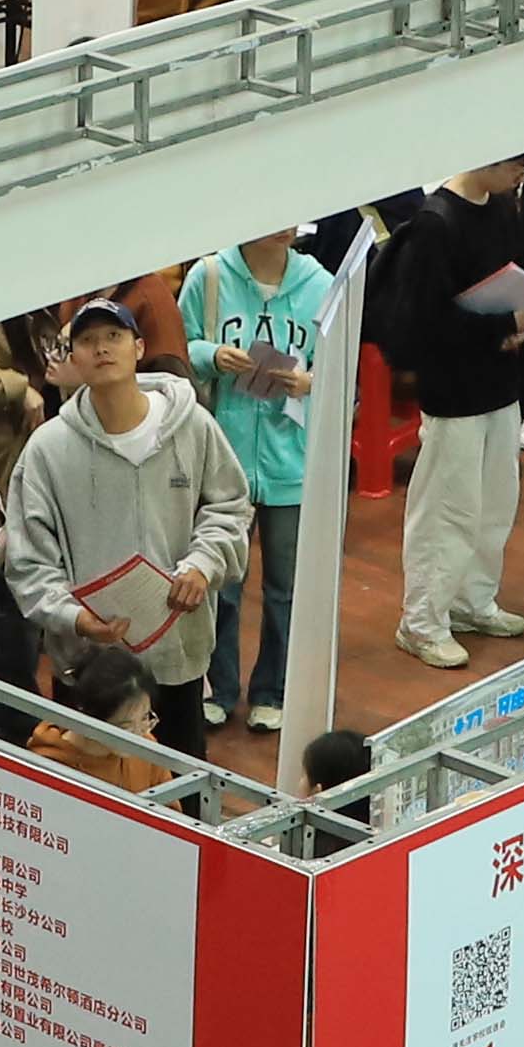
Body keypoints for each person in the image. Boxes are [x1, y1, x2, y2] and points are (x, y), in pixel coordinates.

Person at [3, 297, 253, 755]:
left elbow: (230, 506)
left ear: (139, 347)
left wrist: (202, 564)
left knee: (181, 779)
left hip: (176, 656)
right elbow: (28, 559)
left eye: (114, 336)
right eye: (87, 340)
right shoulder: (47, 450)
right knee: (91, 784)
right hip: (89, 666)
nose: (102, 348)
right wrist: (75, 618)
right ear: (72, 359)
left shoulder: (192, 425)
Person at [378, 152, 524, 666]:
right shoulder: (435, 224)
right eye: (515, 166)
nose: (520, 176)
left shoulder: (501, 206)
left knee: (496, 501)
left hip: (499, 381)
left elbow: (511, 276)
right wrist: (505, 325)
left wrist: (520, 323)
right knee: (447, 510)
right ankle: (421, 622)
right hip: (453, 392)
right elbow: (424, 325)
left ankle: (471, 601)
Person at [178, 228, 327, 716]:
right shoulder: (209, 276)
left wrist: (308, 381)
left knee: (285, 589)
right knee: (221, 583)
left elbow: (340, 367)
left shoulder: (320, 283)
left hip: (291, 459)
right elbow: (178, 352)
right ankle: (218, 688)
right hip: (224, 460)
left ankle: (273, 692)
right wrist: (213, 355)